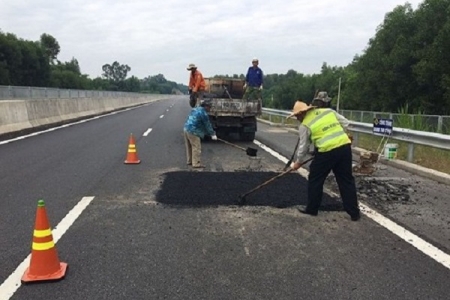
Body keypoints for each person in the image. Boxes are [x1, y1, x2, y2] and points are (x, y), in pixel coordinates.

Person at [288, 100, 360, 221]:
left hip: (327, 152)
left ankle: (312, 209)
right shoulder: (328, 112)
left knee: (315, 178)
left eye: (296, 116)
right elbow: (346, 123)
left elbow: (304, 147)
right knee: (346, 180)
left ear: (301, 114)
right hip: (344, 148)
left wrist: (298, 162)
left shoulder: (305, 125)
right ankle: (354, 213)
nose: (297, 118)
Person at [183, 99, 217, 168]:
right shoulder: (203, 114)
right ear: (206, 106)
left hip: (186, 128)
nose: (210, 108)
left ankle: (190, 161)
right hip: (193, 131)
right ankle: (196, 163)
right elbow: (207, 125)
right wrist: (212, 134)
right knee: (196, 147)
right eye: (209, 107)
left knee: (189, 147)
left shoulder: (195, 109)